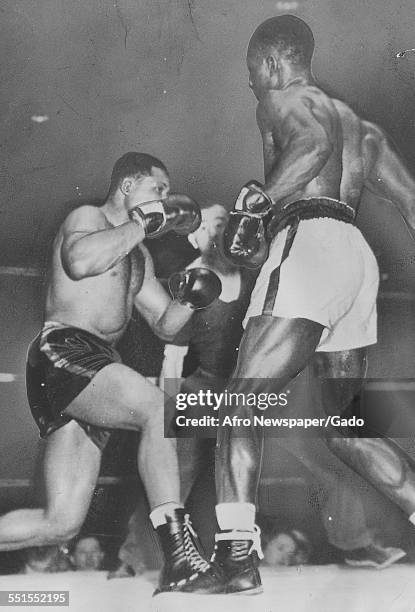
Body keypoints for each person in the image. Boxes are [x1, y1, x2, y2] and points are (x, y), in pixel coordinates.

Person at [213, 15, 415, 595]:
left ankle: (235, 560)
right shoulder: (363, 127)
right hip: (356, 259)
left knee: (238, 404)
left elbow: (312, 145)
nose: (251, 82)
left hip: (308, 243)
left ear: (272, 62)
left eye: (252, 69)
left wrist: (261, 200)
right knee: (347, 428)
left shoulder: (284, 97)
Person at [0, 152, 224, 595]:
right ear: (127, 187)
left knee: (60, 524)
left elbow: (164, 324)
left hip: (96, 368)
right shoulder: (88, 217)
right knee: (158, 409)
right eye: (158, 189)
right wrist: (143, 223)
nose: (166, 199)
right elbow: (80, 262)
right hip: (64, 350)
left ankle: (177, 557)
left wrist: (195, 293)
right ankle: (178, 556)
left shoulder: (138, 254)